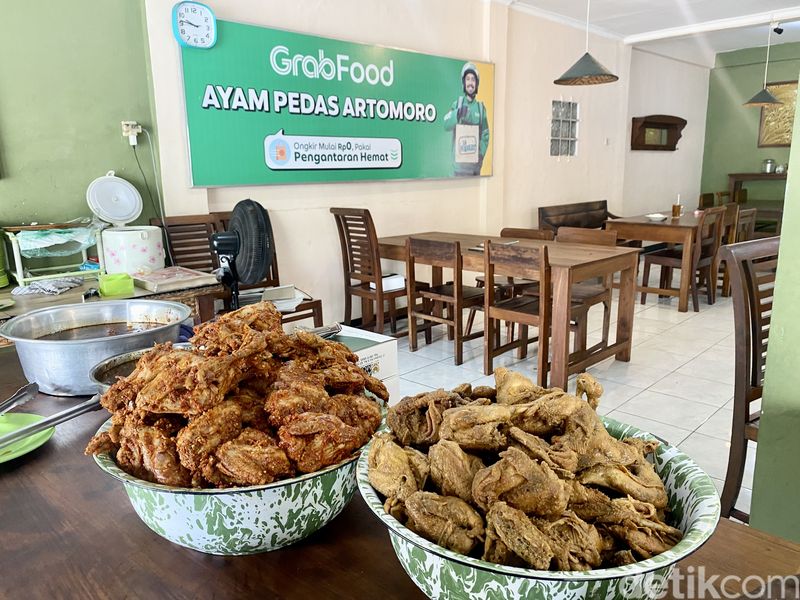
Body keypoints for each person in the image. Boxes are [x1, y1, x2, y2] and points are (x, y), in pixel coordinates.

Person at [443, 62, 490, 176]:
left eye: (473, 79)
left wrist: (481, 154)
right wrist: (457, 114)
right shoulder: (457, 104)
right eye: (468, 79)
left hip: (475, 169)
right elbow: (445, 124)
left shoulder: (481, 108)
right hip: (458, 169)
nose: (470, 82)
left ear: (477, 83)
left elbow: (485, 134)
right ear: (463, 82)